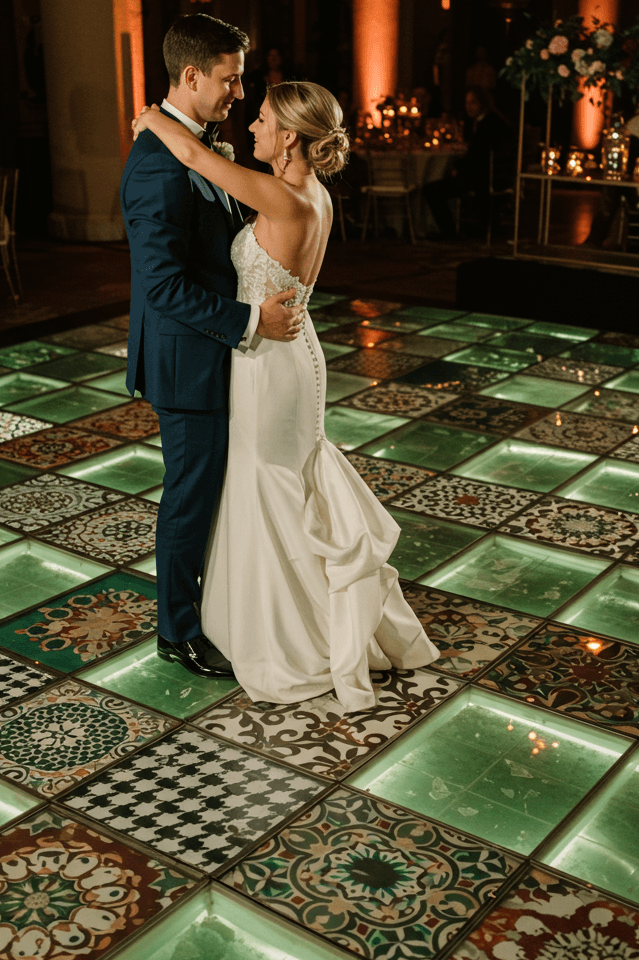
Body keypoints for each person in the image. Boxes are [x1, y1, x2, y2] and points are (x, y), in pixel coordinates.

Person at [134, 78, 439, 711]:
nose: (251, 128)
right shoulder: (314, 197)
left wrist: (152, 120)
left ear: (291, 137)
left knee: (267, 487)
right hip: (294, 353)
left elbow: (195, 158)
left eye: (264, 120)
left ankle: (293, 634)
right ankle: (305, 617)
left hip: (267, 362)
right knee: (285, 482)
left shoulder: (280, 195)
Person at [122, 15, 303, 684]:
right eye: (229, 80)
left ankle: (220, 607)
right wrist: (250, 320)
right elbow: (164, 287)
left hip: (216, 353)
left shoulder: (196, 144)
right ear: (192, 76)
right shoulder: (153, 166)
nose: (238, 92)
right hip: (186, 361)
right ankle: (178, 631)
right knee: (189, 498)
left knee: (215, 493)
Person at [422, 85, 512, 238]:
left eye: (473, 103)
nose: (468, 107)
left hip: (483, 179)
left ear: (483, 103)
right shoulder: (493, 120)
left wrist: (457, 167)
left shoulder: (486, 126)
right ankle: (452, 229)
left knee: (430, 189)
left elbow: (478, 158)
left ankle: (448, 232)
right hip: (498, 176)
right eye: (466, 103)